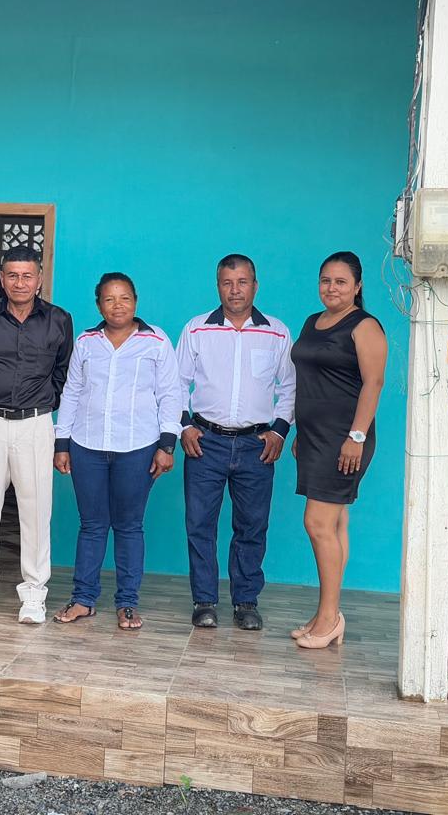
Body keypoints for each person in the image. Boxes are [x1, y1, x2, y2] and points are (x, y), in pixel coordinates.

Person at [52, 273, 181, 631]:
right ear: (99, 306)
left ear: (135, 301)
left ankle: (127, 603)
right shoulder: (86, 342)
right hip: (87, 446)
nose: (117, 305)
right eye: (109, 299)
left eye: (124, 298)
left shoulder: (156, 342)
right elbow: (72, 392)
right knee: (91, 525)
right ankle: (83, 599)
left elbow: (171, 394)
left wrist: (166, 444)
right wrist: (62, 443)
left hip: (137, 447)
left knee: (129, 526)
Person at [177, 253, 295, 631]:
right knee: (200, 525)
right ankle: (204, 601)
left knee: (251, 527)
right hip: (205, 441)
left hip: (255, 445)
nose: (235, 290)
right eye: (227, 283)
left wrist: (279, 430)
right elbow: (175, 383)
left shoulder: (277, 332)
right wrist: (184, 426)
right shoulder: (197, 329)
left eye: (242, 282)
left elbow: (290, 386)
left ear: (255, 286)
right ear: (218, 286)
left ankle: (246, 602)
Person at [0, 246, 73, 624]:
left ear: (39, 280)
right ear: (2, 279)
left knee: (36, 512)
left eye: (27, 276)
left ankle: (35, 594)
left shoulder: (59, 320)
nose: (20, 283)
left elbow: (63, 372)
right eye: (12, 275)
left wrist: (44, 400)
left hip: (35, 424)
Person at [289, 252, 387, 649]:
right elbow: (311, 379)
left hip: (345, 439)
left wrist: (356, 437)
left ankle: (329, 618)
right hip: (314, 436)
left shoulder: (364, 326)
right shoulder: (312, 322)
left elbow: (373, 383)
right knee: (336, 523)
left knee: (317, 523)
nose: (332, 288)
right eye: (326, 280)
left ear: (358, 286)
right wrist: (301, 430)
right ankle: (326, 614)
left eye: (341, 282)